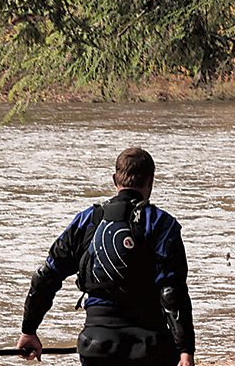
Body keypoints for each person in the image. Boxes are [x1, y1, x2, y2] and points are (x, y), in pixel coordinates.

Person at [16, 147, 195, 366]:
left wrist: (29, 330)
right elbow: (172, 292)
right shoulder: (161, 224)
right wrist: (186, 349)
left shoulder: (87, 220)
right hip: (150, 345)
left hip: (96, 344)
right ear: (150, 182)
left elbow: (46, 276)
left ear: (114, 180)